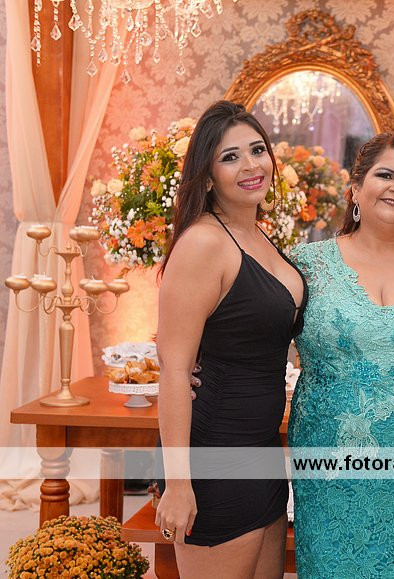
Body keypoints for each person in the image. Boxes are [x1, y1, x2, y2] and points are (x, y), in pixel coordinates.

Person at [288, 132, 394, 577]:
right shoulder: (305, 265)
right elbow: (255, 335)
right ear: (355, 187)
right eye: (386, 175)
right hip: (331, 468)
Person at [155, 100, 306, 578]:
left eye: (257, 150)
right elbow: (175, 370)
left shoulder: (256, 235)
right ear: (207, 176)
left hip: (262, 450)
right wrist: (179, 483)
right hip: (214, 455)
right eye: (230, 157)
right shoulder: (204, 242)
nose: (250, 165)